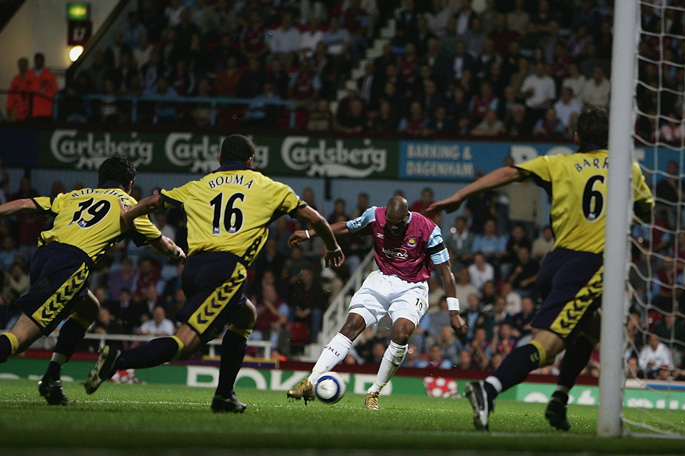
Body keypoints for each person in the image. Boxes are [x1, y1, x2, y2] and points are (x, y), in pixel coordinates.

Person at [425, 108, 654, 431]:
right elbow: (646, 212)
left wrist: (460, 195)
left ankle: (559, 400)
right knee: (547, 347)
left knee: (593, 328)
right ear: (612, 138)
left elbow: (508, 173)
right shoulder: (627, 169)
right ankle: (488, 389)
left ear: (575, 138)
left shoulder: (557, 163)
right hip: (590, 266)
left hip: (554, 264)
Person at [83, 135, 343, 414]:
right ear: (250, 161)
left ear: (219, 159)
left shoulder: (199, 185)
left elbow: (155, 202)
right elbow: (316, 219)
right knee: (185, 344)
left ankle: (224, 395)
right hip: (226, 271)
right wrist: (332, 246)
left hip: (193, 270)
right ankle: (117, 361)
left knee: (246, 316)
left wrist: (128, 214)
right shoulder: (269, 187)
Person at [0, 155, 183, 405]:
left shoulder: (75, 195)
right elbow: (162, 244)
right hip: (70, 265)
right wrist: (178, 253)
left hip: (43, 257)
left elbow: (22, 204)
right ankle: (47, 375)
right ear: (129, 184)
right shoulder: (129, 204)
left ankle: (52, 376)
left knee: (89, 307)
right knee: (20, 339)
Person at [285, 195, 467, 410]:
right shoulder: (374, 216)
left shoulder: (428, 230)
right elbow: (347, 227)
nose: (393, 228)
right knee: (351, 325)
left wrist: (454, 312)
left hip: (412, 286)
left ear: (407, 218)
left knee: (401, 333)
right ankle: (311, 381)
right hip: (381, 279)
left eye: (398, 224)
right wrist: (310, 233)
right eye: (389, 223)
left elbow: (446, 273)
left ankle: (374, 391)